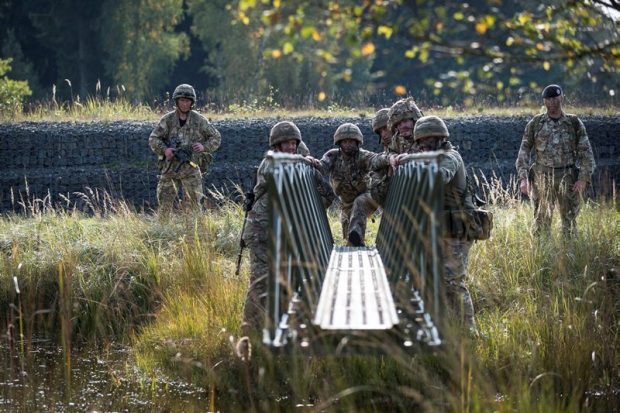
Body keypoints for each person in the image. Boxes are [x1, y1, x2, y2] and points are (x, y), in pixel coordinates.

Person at [240, 121, 330, 335]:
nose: (290, 147)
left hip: (282, 233)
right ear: (276, 145)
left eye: (293, 143)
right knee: (261, 284)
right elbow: (281, 164)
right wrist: (303, 159)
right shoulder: (270, 161)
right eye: (285, 143)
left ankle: (278, 329)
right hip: (262, 233)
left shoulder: (298, 163)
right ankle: (249, 333)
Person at [395, 115, 477, 332]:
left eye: (429, 139)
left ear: (441, 137)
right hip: (438, 228)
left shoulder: (450, 157)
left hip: (457, 229)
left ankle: (470, 333)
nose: (424, 144)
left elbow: (437, 178)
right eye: (421, 141)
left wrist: (412, 162)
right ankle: (444, 328)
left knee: (453, 283)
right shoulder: (428, 157)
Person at [515, 84, 596, 236]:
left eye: (555, 98)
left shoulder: (574, 123)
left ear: (562, 98)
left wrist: (583, 179)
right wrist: (523, 178)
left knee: (569, 220)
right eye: (548, 99)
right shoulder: (535, 123)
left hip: (568, 176)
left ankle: (570, 254)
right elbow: (524, 151)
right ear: (544, 101)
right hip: (542, 176)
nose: (552, 102)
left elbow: (586, 152)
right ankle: (542, 254)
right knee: (541, 219)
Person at [149, 84, 221, 213]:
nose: (184, 104)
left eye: (187, 101)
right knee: (164, 206)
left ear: (191, 103)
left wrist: (204, 147)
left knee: (194, 207)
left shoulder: (199, 120)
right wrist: (165, 150)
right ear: (176, 101)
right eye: (181, 100)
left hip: (191, 168)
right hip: (170, 167)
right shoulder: (168, 119)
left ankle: (194, 232)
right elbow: (153, 138)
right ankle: (162, 232)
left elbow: (216, 137)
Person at [319, 123, 391, 247]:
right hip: (346, 204)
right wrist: (309, 162)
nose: (348, 145)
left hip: (367, 197)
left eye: (351, 142)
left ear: (357, 142)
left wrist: (389, 159)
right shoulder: (333, 156)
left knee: (360, 203)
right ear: (339, 143)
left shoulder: (363, 156)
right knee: (350, 239)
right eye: (345, 142)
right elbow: (322, 166)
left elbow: (376, 159)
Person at [368, 107, 399, 206]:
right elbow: (374, 162)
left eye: (385, 128)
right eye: (380, 132)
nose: (384, 134)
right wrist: (389, 159)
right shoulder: (388, 147)